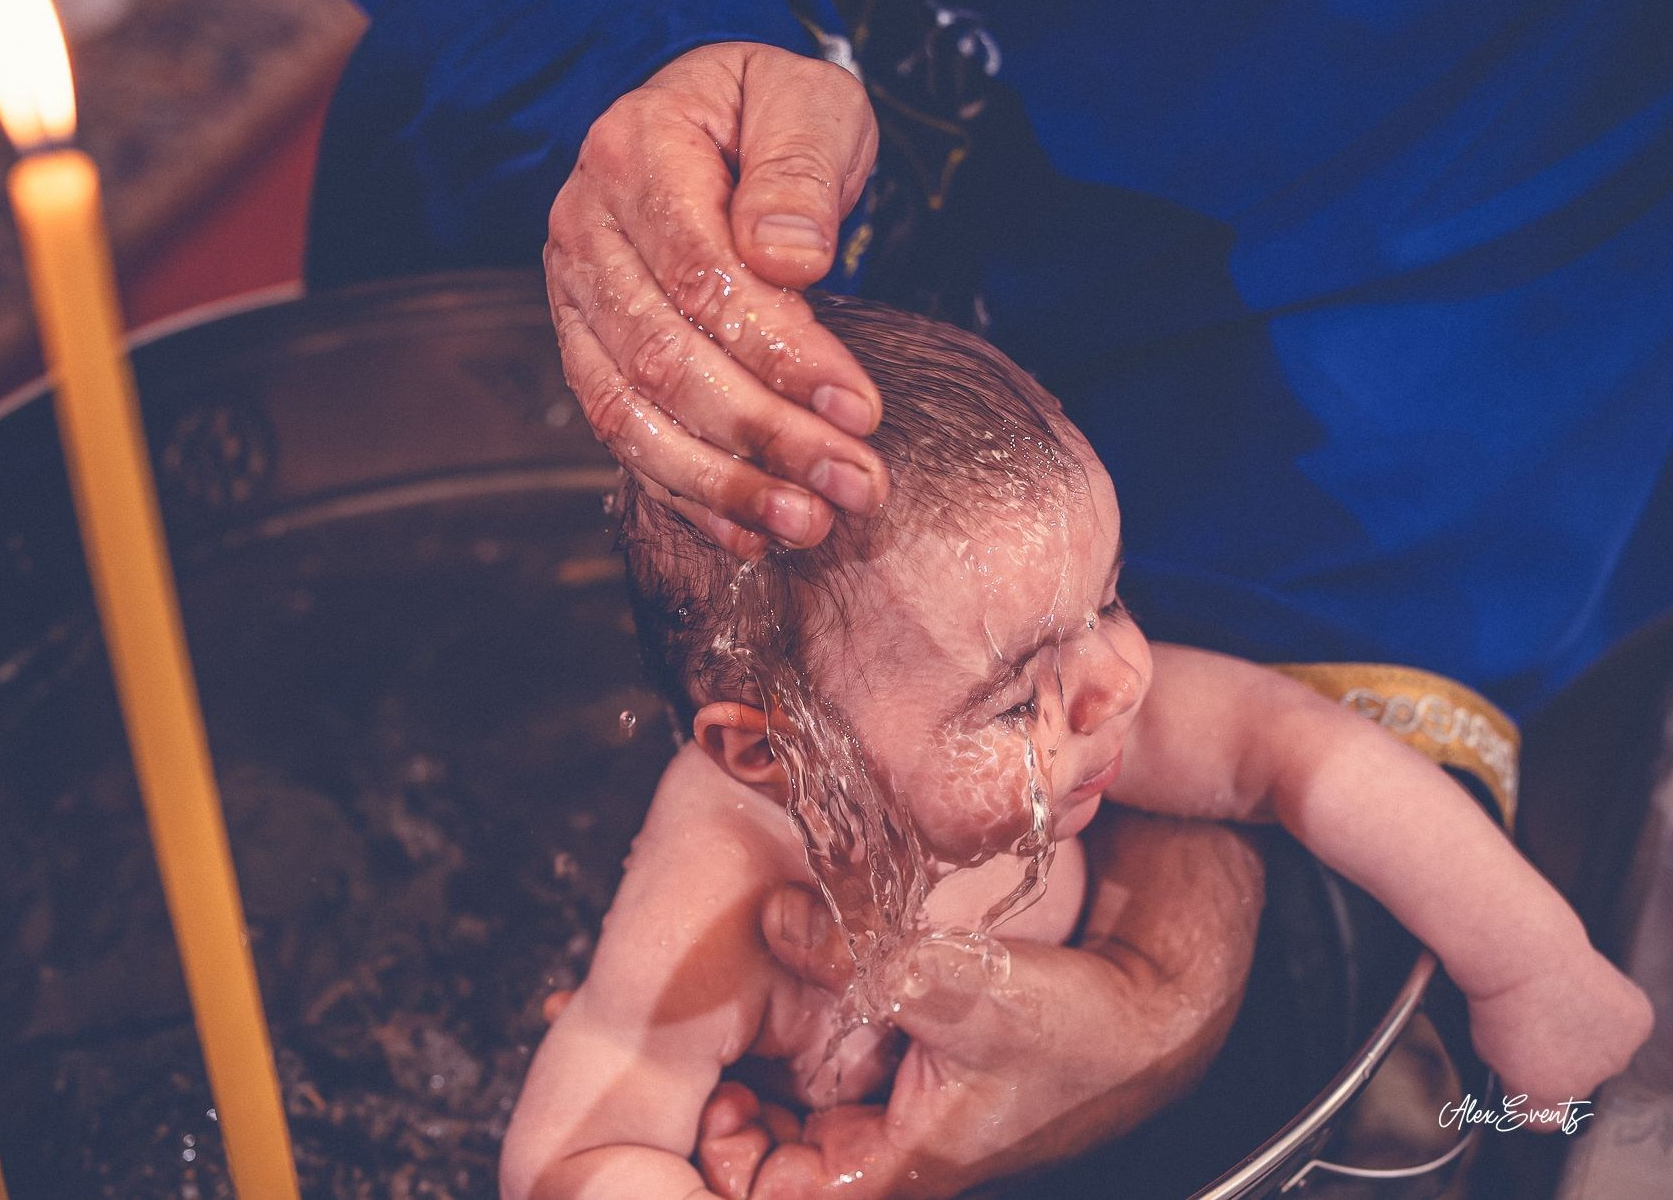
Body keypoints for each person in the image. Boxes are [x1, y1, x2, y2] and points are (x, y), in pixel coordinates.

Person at [499, 298, 1650, 1200]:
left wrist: (1524, 966)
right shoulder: (711, 893)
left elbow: (1296, 752)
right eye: (1012, 702)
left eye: (1107, 598)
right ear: (774, 754)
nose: (1119, 682)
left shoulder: (1080, 700)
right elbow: (574, 1156)